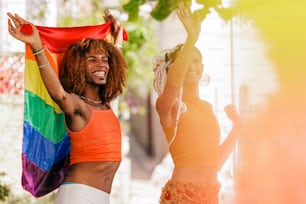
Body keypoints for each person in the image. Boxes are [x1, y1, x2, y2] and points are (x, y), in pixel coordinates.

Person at [7, 9, 127, 204]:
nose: (101, 65)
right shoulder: (78, 107)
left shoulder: (105, 104)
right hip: (78, 195)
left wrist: (117, 39)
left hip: (101, 197)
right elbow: (58, 93)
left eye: (105, 60)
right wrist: (37, 45)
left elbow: (115, 59)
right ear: (79, 67)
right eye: (92, 60)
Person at [153, 2, 241, 203]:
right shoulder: (169, 105)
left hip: (209, 196)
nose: (191, 67)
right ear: (172, 69)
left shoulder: (206, 108)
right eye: (185, 62)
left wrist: (238, 127)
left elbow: (215, 161)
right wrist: (191, 39)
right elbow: (174, 85)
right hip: (181, 195)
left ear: (202, 67)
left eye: (196, 61)